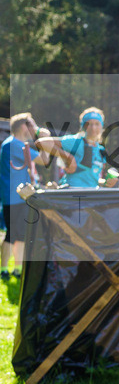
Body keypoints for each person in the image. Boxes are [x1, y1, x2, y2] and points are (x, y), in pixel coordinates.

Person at [1, 113, 50, 279]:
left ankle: (16, 269)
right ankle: (4, 270)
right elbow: (44, 160)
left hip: (21, 196)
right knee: (12, 234)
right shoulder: (14, 144)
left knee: (20, 234)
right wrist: (44, 140)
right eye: (32, 125)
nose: (35, 129)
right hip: (13, 197)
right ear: (23, 126)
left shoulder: (17, 144)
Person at [36, 107, 113, 188]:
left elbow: (92, 178)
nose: (93, 128)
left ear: (101, 126)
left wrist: (106, 183)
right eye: (89, 124)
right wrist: (68, 157)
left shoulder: (101, 150)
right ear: (83, 126)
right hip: (72, 191)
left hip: (91, 192)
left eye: (97, 124)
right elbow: (41, 142)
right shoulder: (76, 141)